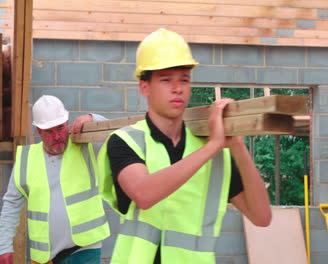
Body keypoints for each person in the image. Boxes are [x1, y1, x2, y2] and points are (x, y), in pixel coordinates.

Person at [99, 28, 272, 264]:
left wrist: (238, 146)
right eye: (166, 79)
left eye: (184, 79)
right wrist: (213, 146)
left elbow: (262, 217)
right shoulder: (126, 141)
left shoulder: (215, 154)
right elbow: (144, 194)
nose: (177, 88)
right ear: (144, 87)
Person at [0, 95, 110, 264]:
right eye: (49, 131)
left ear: (67, 123)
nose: (57, 136)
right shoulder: (26, 159)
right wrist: (4, 247)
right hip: (46, 257)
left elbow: (114, 135)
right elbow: (11, 205)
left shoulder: (85, 147)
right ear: (39, 132)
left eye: (60, 128)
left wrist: (92, 118)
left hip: (85, 250)